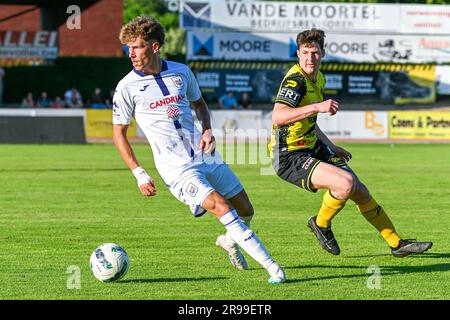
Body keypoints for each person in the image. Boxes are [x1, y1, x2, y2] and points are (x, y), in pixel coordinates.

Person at [112, 16, 285, 284]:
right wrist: (139, 173)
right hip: (176, 168)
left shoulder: (181, 72)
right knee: (222, 206)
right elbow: (118, 134)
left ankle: (230, 242)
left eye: (137, 47)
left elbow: (200, 105)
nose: (131, 54)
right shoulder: (126, 87)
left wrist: (207, 129)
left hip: (205, 155)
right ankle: (273, 269)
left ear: (155, 47)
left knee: (246, 209)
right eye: (128, 48)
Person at [269, 28, 432, 258]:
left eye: (314, 52)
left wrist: (331, 145)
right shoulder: (296, 81)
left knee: (359, 189)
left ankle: (396, 243)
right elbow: (278, 116)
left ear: (323, 53)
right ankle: (320, 224)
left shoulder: (319, 78)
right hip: (288, 156)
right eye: (305, 52)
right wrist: (318, 106)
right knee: (345, 183)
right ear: (297, 54)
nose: (310, 58)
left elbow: (307, 122)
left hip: (312, 146)